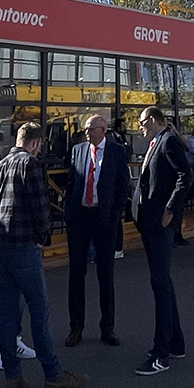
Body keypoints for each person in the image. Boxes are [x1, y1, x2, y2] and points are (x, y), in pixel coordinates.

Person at [0, 122, 87, 388]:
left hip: (0, 245)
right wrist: (43, 236)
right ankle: (53, 374)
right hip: (23, 245)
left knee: (7, 307)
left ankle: (12, 376)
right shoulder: (30, 165)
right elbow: (41, 207)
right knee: (38, 308)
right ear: (36, 143)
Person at [64, 114, 129, 346]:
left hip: (104, 220)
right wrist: (68, 210)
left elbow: (123, 186)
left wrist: (114, 215)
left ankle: (107, 327)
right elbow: (72, 181)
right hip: (80, 217)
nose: (87, 133)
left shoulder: (116, 152)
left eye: (90, 129)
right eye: (86, 129)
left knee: (105, 275)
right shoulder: (79, 150)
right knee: (76, 274)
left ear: (102, 130)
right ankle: (76, 326)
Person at [134, 106, 189, 375]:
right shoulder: (157, 142)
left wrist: (170, 210)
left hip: (160, 222)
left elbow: (184, 175)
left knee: (160, 285)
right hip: (150, 220)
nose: (140, 128)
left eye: (142, 123)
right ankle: (175, 341)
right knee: (163, 282)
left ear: (153, 120)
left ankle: (161, 353)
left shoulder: (167, 142)